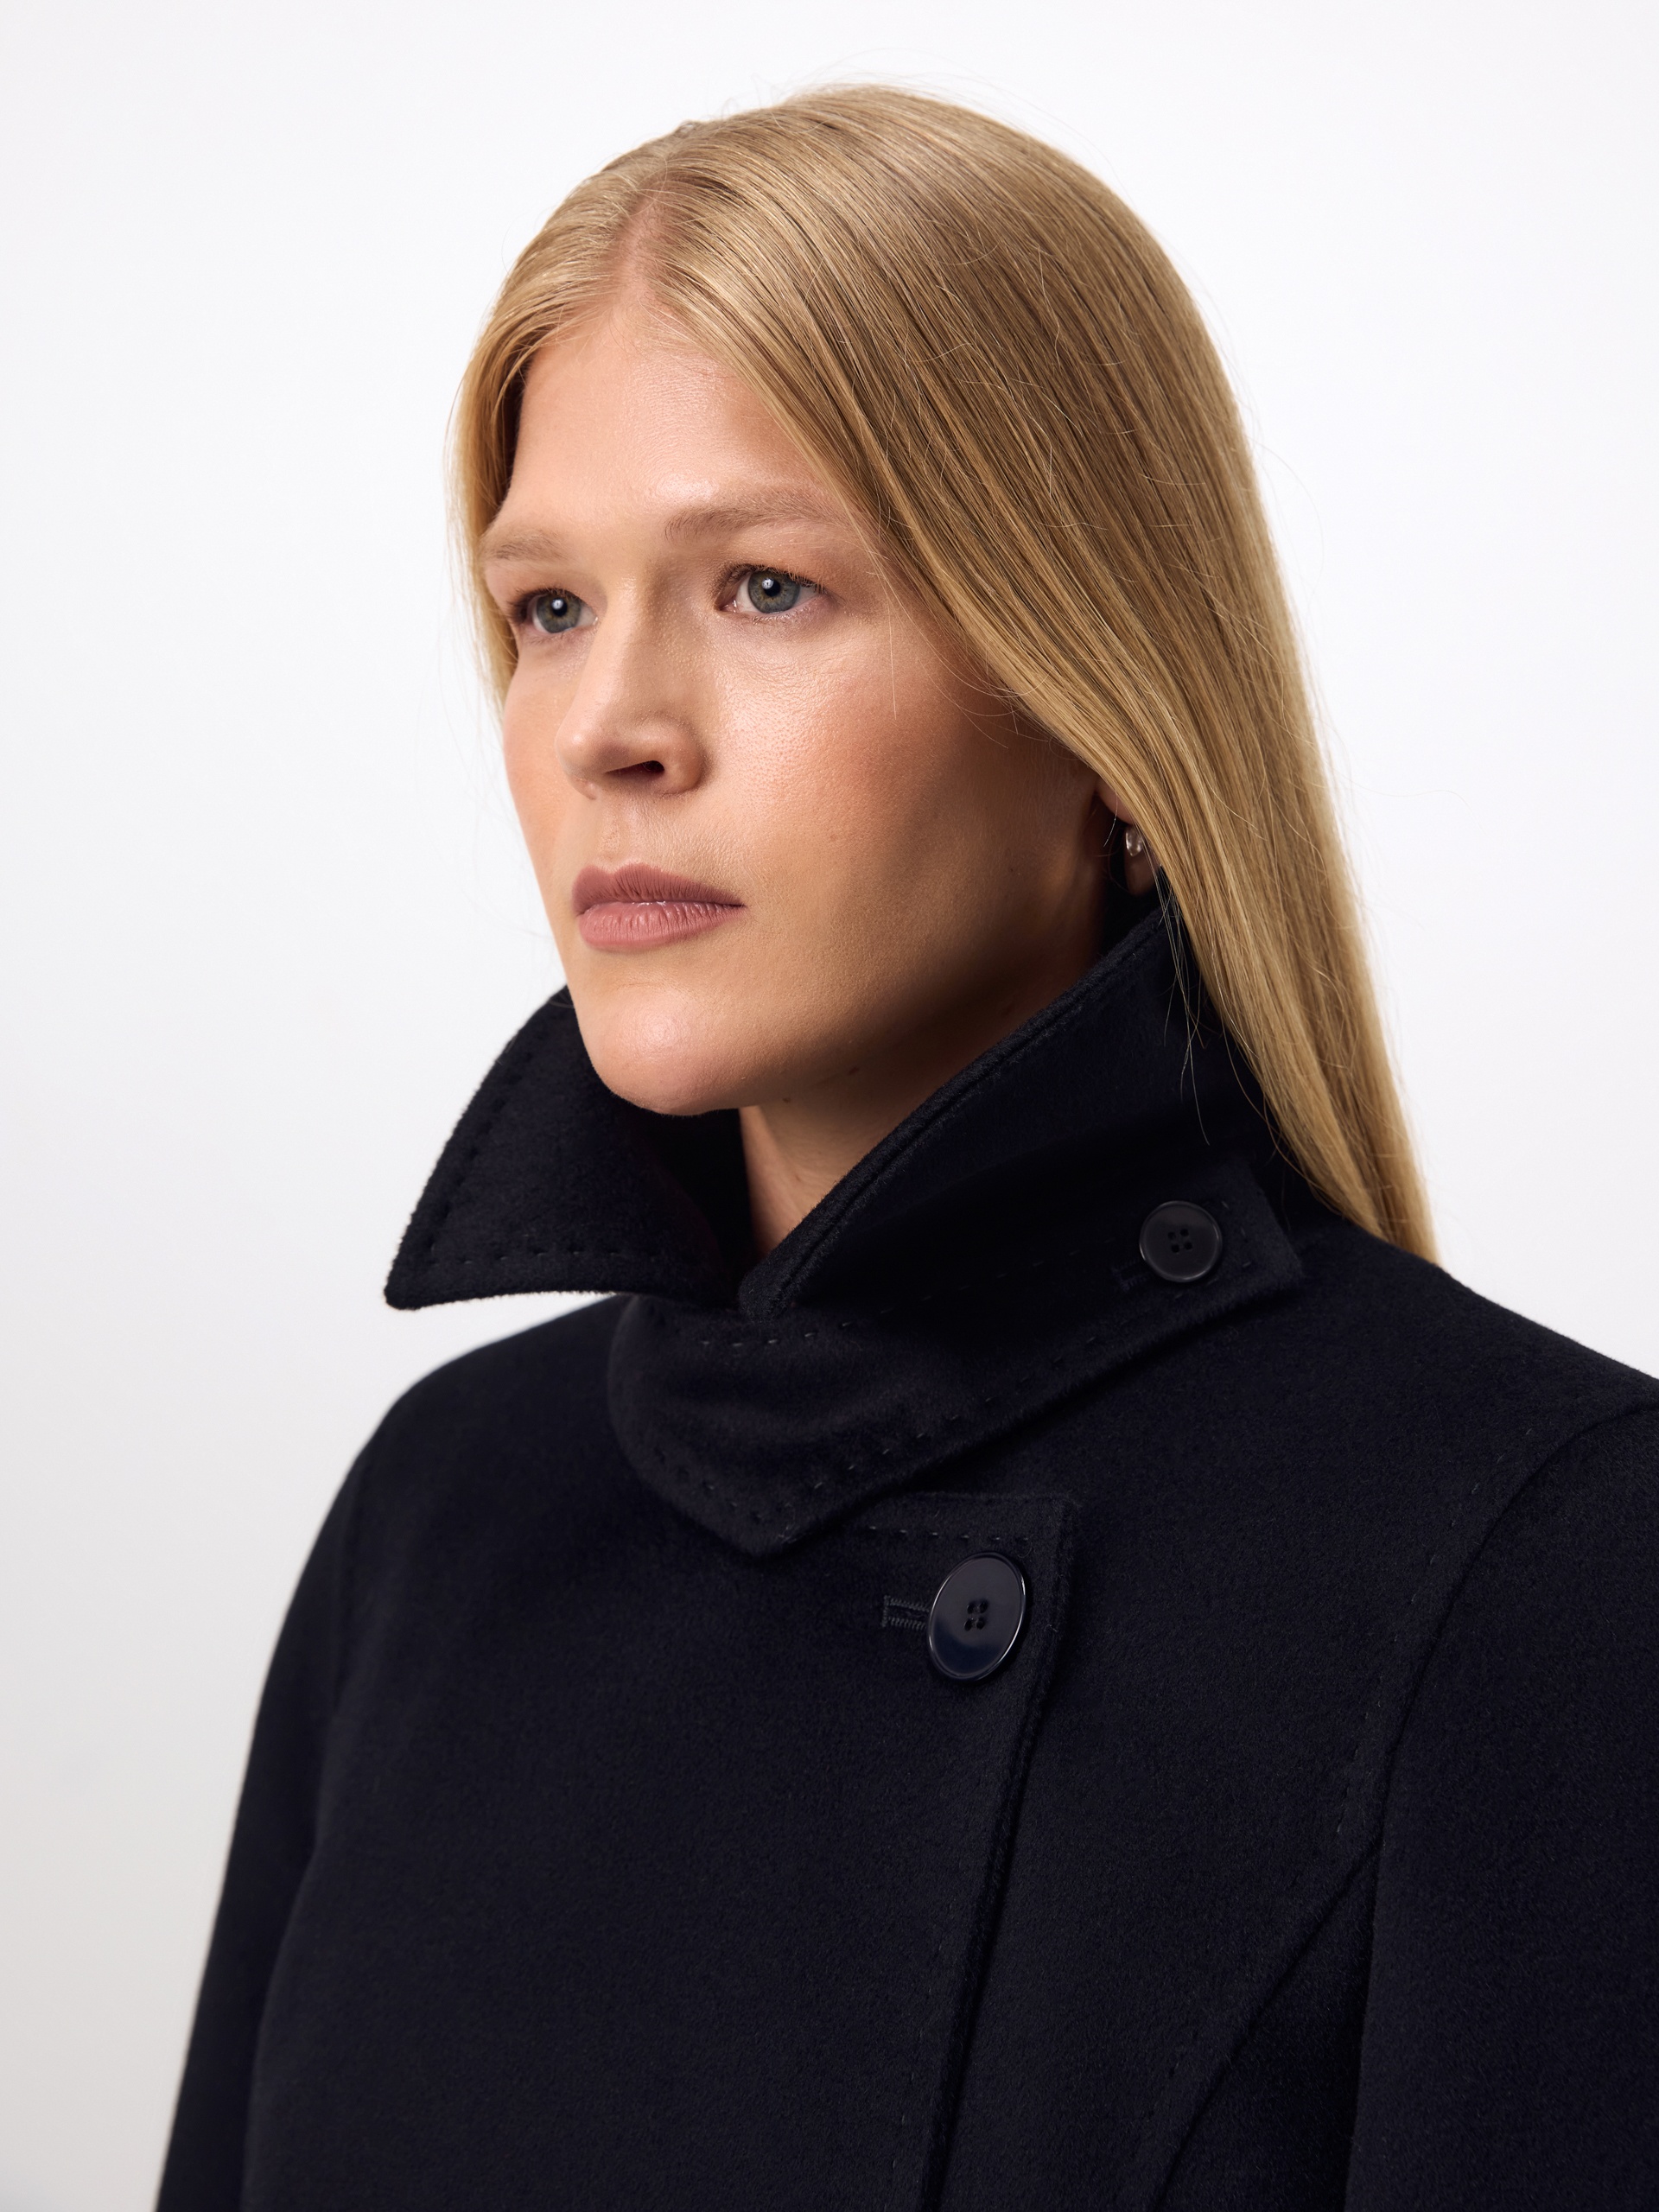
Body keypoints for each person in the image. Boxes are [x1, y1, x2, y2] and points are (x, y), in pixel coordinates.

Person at [157, 87, 1659, 2211]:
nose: (611, 727)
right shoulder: (444, 1516)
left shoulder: (1540, 1562)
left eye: (765, 586)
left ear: (1105, 697)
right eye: (550, 606)